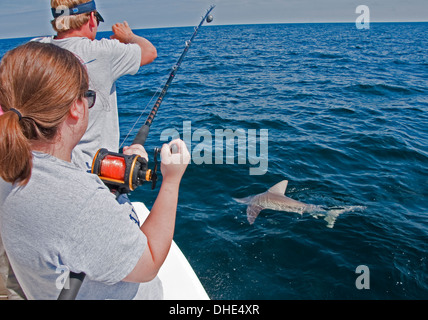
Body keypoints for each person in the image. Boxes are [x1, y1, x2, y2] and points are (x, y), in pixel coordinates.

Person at [0, 42, 190, 300]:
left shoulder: (10, 166)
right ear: (75, 108)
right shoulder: (77, 201)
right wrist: (171, 179)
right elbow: (149, 262)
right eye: (88, 97)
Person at [33, 0, 157, 170]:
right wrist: (128, 36)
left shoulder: (32, 51)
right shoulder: (103, 52)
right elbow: (149, 52)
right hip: (94, 170)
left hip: (39, 165)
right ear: (91, 18)